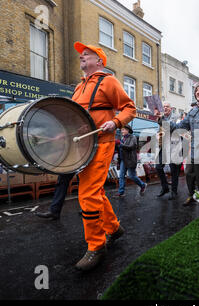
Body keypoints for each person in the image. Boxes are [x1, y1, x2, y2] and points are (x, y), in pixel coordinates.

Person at [71, 42, 136, 271]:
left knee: (87, 194)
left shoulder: (107, 81)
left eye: (86, 55)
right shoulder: (79, 87)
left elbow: (130, 107)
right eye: (81, 55)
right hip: (82, 145)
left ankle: (96, 246)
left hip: (102, 143)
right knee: (95, 191)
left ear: (99, 61)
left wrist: (116, 122)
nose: (81, 57)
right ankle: (114, 227)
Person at [154, 101, 182, 200]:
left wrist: (162, 119)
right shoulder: (161, 118)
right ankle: (165, 187)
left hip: (175, 146)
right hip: (164, 146)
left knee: (174, 170)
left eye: (167, 107)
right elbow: (160, 131)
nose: (165, 108)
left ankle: (174, 191)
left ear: (171, 108)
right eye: (163, 106)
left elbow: (175, 129)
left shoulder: (177, 117)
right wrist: (158, 135)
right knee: (158, 167)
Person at [115, 125, 146, 197]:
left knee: (132, 176)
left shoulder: (133, 137)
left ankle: (142, 185)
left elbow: (131, 147)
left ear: (128, 130)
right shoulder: (122, 138)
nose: (122, 131)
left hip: (130, 160)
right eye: (121, 130)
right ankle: (121, 192)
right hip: (123, 160)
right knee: (121, 176)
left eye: (123, 130)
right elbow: (120, 149)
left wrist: (120, 144)